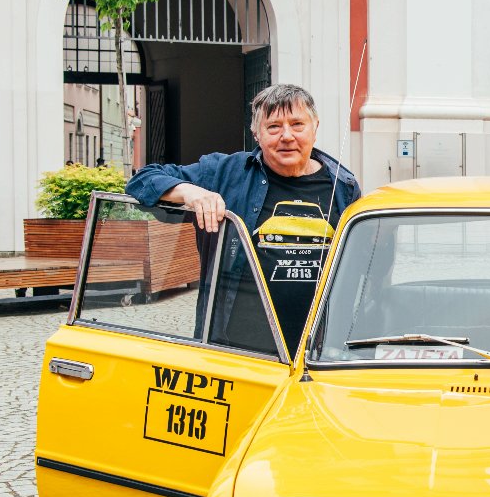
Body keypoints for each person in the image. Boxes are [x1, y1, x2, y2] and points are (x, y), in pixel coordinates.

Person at [127, 84, 361, 349]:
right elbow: (142, 180)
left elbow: (363, 265)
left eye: (297, 124)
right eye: (273, 127)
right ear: (257, 134)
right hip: (234, 348)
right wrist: (189, 192)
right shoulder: (225, 172)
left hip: (318, 348)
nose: (287, 136)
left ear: (315, 128)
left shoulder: (344, 187)